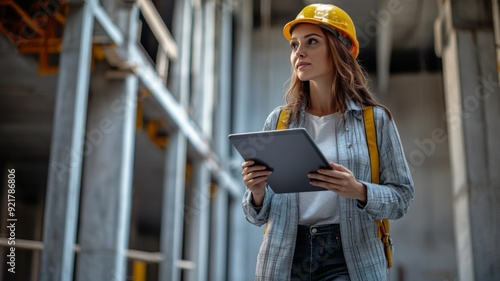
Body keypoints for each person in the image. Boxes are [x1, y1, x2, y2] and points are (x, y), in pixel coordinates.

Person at [240, 3, 414, 281]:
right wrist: (257, 191)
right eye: (294, 45)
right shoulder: (279, 121)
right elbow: (257, 216)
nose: (299, 52)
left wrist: (359, 190)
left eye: (312, 42)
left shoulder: (375, 121)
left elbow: (402, 198)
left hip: (349, 257)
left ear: (339, 48)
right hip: (284, 255)